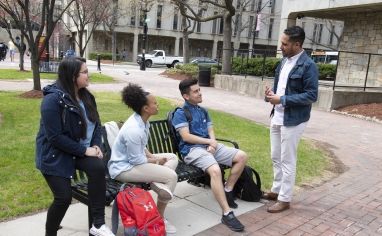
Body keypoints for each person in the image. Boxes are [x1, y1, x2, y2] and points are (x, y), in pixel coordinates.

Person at [35, 56, 115, 236]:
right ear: (73, 76)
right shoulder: (52, 100)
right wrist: (85, 150)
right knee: (63, 198)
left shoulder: (87, 96)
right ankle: (50, 233)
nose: (89, 75)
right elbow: (54, 137)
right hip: (56, 154)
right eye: (85, 72)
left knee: (97, 168)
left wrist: (95, 145)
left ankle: (98, 224)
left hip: (79, 151)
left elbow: (96, 123)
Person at [171, 78, 248, 232]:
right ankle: (227, 213)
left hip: (207, 147)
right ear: (186, 96)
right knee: (215, 170)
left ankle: (228, 190)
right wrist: (208, 142)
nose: (200, 93)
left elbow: (210, 130)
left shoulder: (203, 110)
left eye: (199, 90)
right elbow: (186, 137)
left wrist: (212, 143)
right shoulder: (180, 113)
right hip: (192, 150)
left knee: (242, 156)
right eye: (196, 91)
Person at [108, 83, 179, 234]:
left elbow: (142, 147)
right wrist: (157, 162)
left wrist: (154, 158)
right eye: (155, 103)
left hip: (135, 162)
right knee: (171, 177)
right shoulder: (134, 129)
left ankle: (155, 181)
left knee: (172, 157)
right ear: (146, 108)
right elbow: (136, 160)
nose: (157, 104)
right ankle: (158, 218)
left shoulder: (142, 121)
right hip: (123, 168)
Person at [262, 25, 318, 213]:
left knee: (287, 160)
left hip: (294, 120)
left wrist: (283, 99)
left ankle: (285, 199)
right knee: (275, 156)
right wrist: (271, 95)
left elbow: (311, 95)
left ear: (296, 44)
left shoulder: (308, 66)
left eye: (284, 44)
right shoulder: (284, 62)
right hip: (277, 116)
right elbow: (281, 89)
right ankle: (276, 191)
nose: (281, 47)